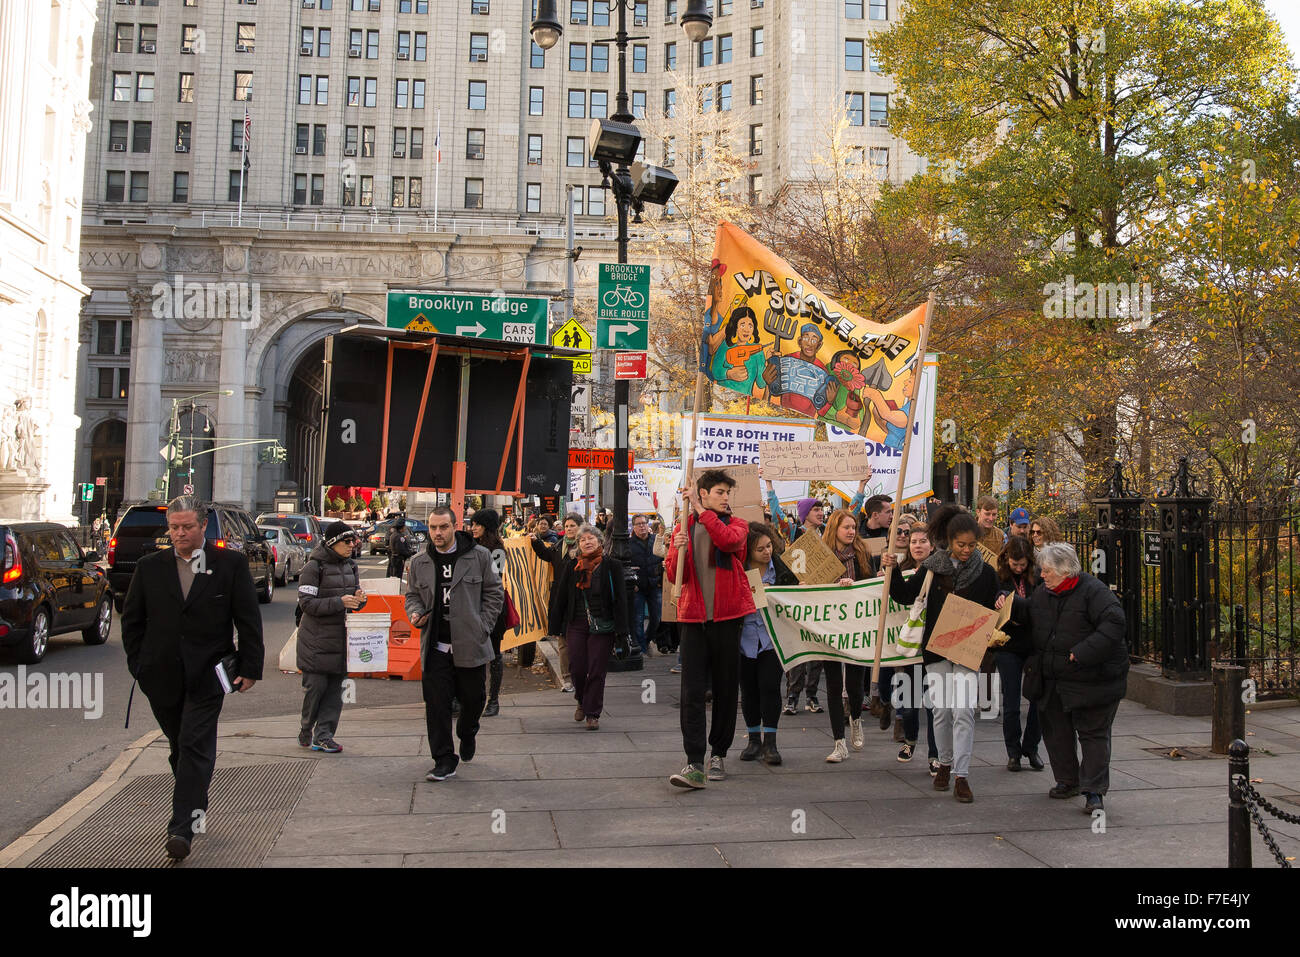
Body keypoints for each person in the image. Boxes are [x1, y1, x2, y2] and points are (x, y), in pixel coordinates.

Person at [121, 495, 264, 861]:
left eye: (187, 527)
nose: (180, 534)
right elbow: (132, 621)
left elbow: (247, 619)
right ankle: (196, 802)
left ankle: (180, 827)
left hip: (208, 674)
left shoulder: (230, 564)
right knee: (179, 747)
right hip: (160, 675)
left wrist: (250, 667)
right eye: (174, 528)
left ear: (203, 526)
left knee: (194, 744)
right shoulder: (150, 567)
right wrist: (138, 664)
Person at [1000, 542, 1128, 814]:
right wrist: (1010, 604)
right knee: (1057, 733)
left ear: (1066, 571)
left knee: (1093, 736)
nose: (1042, 575)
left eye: (1047, 571)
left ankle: (1094, 792)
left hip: (1093, 680)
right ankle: (1067, 781)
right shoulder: (1045, 593)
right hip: (1054, 678)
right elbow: (1031, 613)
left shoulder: (1094, 592)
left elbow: (1114, 624)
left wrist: (1081, 654)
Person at [882, 505, 999, 803]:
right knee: (942, 711)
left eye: (972, 545)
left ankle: (962, 775)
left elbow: (994, 604)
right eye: (961, 545)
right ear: (949, 540)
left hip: (967, 651)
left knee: (963, 712)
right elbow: (905, 596)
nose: (966, 550)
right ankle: (943, 764)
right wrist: (892, 569)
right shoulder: (933, 567)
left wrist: (1000, 602)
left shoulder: (985, 573)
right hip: (936, 650)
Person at [665, 468, 755, 789]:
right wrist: (676, 548)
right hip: (693, 617)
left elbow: (728, 543)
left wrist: (702, 513)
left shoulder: (737, 525)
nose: (725, 497)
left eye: (727, 492)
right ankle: (693, 759)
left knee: (726, 688)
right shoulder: (685, 526)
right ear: (702, 493)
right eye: (719, 491)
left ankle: (718, 751)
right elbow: (677, 576)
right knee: (691, 691)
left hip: (728, 617)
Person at [405, 506, 504, 782]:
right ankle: (443, 759)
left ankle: (467, 731)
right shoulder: (420, 562)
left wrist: (482, 626)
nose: (437, 533)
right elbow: (412, 595)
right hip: (436, 647)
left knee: (474, 701)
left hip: (470, 645)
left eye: (443, 527)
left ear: (455, 526)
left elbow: (494, 593)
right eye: (433, 527)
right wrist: (414, 612)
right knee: (436, 706)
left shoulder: (479, 556)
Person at [549, 524, 630, 730]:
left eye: (591, 538)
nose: (587, 542)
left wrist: (622, 631)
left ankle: (592, 713)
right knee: (577, 667)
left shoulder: (612, 566)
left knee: (596, 669)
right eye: (583, 539)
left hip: (602, 625)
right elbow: (561, 596)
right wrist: (555, 623)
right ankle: (581, 698)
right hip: (576, 623)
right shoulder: (571, 566)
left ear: (600, 541)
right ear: (578, 544)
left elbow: (621, 600)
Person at [296, 521, 367, 753]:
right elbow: (306, 604)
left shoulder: (352, 566)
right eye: (347, 541)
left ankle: (324, 735)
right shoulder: (313, 567)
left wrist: (359, 599)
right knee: (315, 689)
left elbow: (353, 601)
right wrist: (339, 602)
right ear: (333, 543)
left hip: (341, 639)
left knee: (336, 693)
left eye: (353, 541)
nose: (352, 545)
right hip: (315, 641)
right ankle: (307, 727)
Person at [819, 508, 877, 762]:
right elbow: (815, 587)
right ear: (835, 529)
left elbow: (872, 583)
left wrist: (856, 586)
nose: (852, 531)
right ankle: (838, 742)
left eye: (854, 527)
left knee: (854, 685)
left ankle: (855, 718)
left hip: (857, 627)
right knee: (832, 685)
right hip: (829, 629)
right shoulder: (822, 555)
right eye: (847, 527)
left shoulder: (863, 553)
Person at [764, 477, 826, 715]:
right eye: (815, 509)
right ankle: (792, 695)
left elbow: (851, 512)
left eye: (821, 509)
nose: (820, 513)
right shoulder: (792, 532)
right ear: (805, 514)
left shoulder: (828, 534)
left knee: (818, 651)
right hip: (797, 598)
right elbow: (777, 512)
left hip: (819, 598)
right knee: (798, 648)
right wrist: (768, 484)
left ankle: (812, 695)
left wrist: (861, 488)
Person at [739, 521, 796, 766]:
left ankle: (770, 742)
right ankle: (753, 739)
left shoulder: (782, 570)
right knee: (749, 690)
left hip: (773, 640)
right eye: (760, 548)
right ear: (749, 551)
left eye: (769, 546)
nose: (767, 551)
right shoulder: (738, 571)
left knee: (770, 686)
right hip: (744, 640)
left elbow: (796, 593)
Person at [992, 535, 1044, 771]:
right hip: (1008, 643)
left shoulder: (1038, 575)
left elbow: (1043, 602)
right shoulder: (998, 575)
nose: (1019, 568)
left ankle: (1031, 747)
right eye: (1015, 564)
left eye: (1023, 564)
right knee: (1011, 701)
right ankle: (1013, 751)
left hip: (1033, 643)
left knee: (1038, 699)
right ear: (1007, 560)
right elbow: (990, 596)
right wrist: (997, 598)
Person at [895, 523, 940, 769]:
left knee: (934, 705)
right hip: (910, 647)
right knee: (910, 703)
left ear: (932, 545)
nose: (917, 546)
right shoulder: (903, 568)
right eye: (914, 542)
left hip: (932, 646)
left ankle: (934, 755)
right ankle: (910, 739)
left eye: (923, 541)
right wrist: (889, 573)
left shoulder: (937, 569)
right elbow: (901, 595)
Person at [531, 512, 583, 692]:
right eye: (567, 526)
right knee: (563, 641)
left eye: (572, 526)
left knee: (579, 641)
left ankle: (580, 674)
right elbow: (546, 555)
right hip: (561, 600)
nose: (569, 529)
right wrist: (535, 541)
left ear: (580, 527)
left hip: (580, 599)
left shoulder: (585, 546)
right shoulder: (559, 546)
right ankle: (567, 678)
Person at [470, 509, 508, 718]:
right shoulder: (470, 546)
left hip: (491, 608)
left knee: (494, 655)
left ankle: (493, 700)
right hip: (470, 606)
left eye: (478, 524)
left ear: (488, 527)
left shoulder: (498, 550)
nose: (473, 528)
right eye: (473, 524)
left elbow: (495, 579)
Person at [627, 513, 663, 657]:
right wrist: (633, 583)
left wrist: (661, 580)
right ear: (633, 527)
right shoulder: (628, 544)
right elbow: (626, 565)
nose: (642, 526)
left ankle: (647, 640)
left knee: (657, 618)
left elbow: (663, 559)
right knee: (638, 619)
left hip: (655, 584)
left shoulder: (655, 540)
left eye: (644, 523)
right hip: (638, 587)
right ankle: (641, 648)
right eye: (639, 524)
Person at [387, 516, 415, 580]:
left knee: (394, 577)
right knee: (397, 578)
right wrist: (410, 553)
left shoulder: (393, 535)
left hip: (394, 559)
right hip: (398, 560)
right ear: (401, 527)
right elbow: (401, 549)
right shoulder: (400, 537)